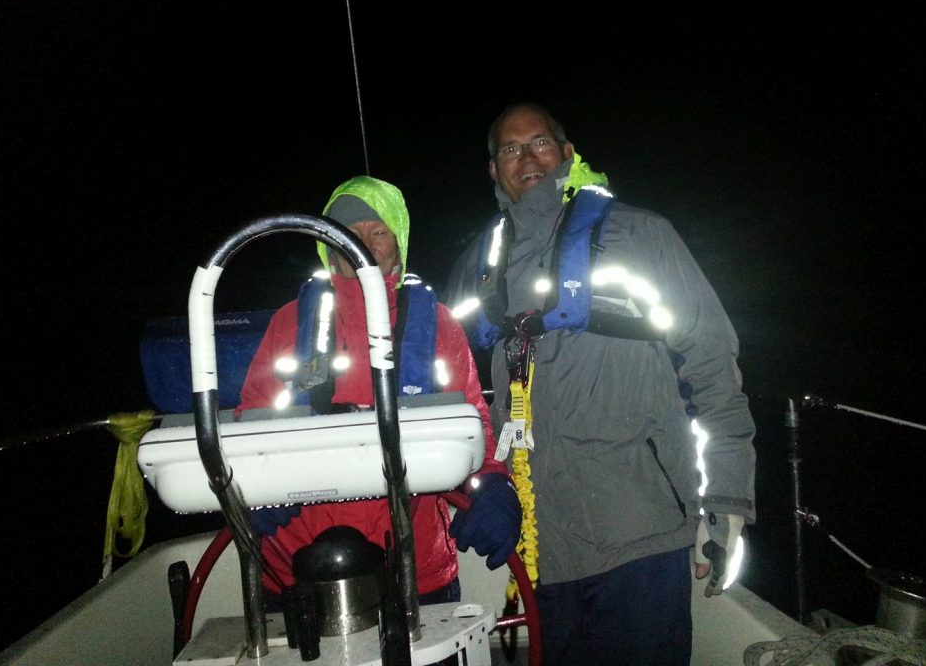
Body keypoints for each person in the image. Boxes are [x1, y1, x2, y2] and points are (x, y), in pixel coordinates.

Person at [446, 103, 757, 666]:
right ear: (494, 170)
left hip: (640, 531)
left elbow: (711, 357)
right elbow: (453, 389)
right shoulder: (478, 265)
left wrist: (729, 495)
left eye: (540, 142)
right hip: (539, 544)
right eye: (510, 150)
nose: (527, 158)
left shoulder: (641, 234)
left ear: (567, 154)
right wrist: (477, 483)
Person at [238, 175, 521, 612]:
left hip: (415, 563)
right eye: (349, 233)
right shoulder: (288, 323)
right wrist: (253, 493)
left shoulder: (440, 324)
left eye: (379, 232)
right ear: (328, 243)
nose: (363, 244)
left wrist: (492, 486)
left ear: (398, 242)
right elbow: (250, 422)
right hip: (297, 563)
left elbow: (474, 424)